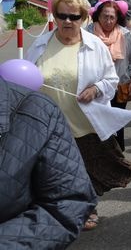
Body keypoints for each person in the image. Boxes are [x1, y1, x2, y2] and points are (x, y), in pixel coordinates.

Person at [26, 0, 131, 231]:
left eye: (74, 17)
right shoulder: (41, 44)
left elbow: (111, 79)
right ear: (54, 16)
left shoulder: (94, 45)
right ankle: (57, 209)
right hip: (49, 123)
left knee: (85, 171)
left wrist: (96, 89)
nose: (67, 21)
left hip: (85, 123)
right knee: (54, 171)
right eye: (62, 16)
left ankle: (88, 207)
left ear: (84, 18)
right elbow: (26, 79)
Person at [0, 78, 98, 247]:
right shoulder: (39, 51)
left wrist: (97, 88)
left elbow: (67, 201)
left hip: (79, 118)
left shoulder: (36, 111)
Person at [86, 0, 131, 151]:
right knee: (96, 125)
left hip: (119, 86)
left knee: (117, 125)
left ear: (117, 19)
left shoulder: (125, 34)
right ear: (97, 16)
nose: (108, 21)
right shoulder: (88, 33)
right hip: (94, 87)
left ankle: (119, 157)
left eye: (112, 17)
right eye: (105, 17)